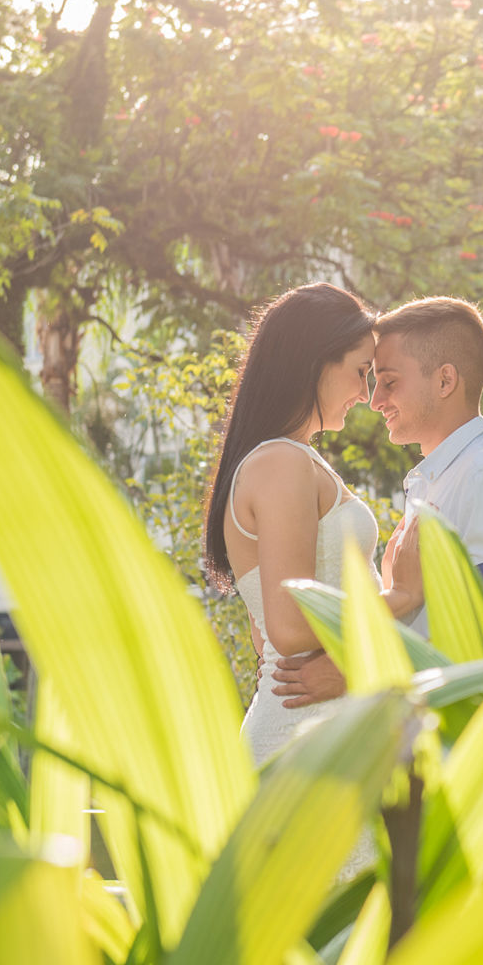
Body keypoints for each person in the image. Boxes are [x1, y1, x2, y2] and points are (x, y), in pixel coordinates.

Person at [275, 296, 483, 702]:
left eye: (389, 381)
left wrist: (359, 672)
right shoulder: (435, 482)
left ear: (444, 381)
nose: (374, 400)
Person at [202, 283, 422, 766]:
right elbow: (289, 626)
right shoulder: (281, 462)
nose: (366, 395)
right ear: (316, 362)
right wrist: (399, 597)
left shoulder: (293, 460)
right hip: (301, 740)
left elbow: (266, 633)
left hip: (323, 732)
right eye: (361, 372)